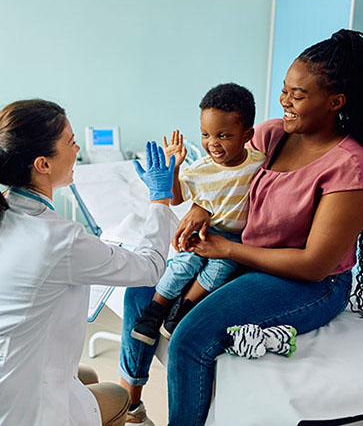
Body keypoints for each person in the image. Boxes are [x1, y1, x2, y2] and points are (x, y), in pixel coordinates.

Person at [118, 28, 363, 426]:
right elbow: (223, 177)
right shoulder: (271, 135)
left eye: (297, 95)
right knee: (140, 290)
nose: (284, 101)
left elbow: (315, 264)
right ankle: (131, 406)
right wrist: (201, 207)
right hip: (243, 257)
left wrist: (227, 249)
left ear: (335, 102)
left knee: (190, 340)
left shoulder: (349, 165)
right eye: (284, 89)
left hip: (307, 281)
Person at [0, 99, 176, 426]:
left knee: (88, 374)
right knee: (118, 397)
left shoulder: (7, 211)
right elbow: (151, 266)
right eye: (69, 141)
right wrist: (159, 199)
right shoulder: (60, 239)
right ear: (43, 164)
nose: (77, 147)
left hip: (14, 370)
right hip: (19, 407)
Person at [131, 84, 266, 346]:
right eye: (205, 134)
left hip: (234, 239)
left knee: (219, 270)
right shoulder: (202, 168)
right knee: (184, 264)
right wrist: (174, 170)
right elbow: (177, 197)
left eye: (223, 135)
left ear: (247, 134)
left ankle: (181, 311)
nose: (212, 143)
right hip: (206, 230)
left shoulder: (259, 163)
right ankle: (154, 310)